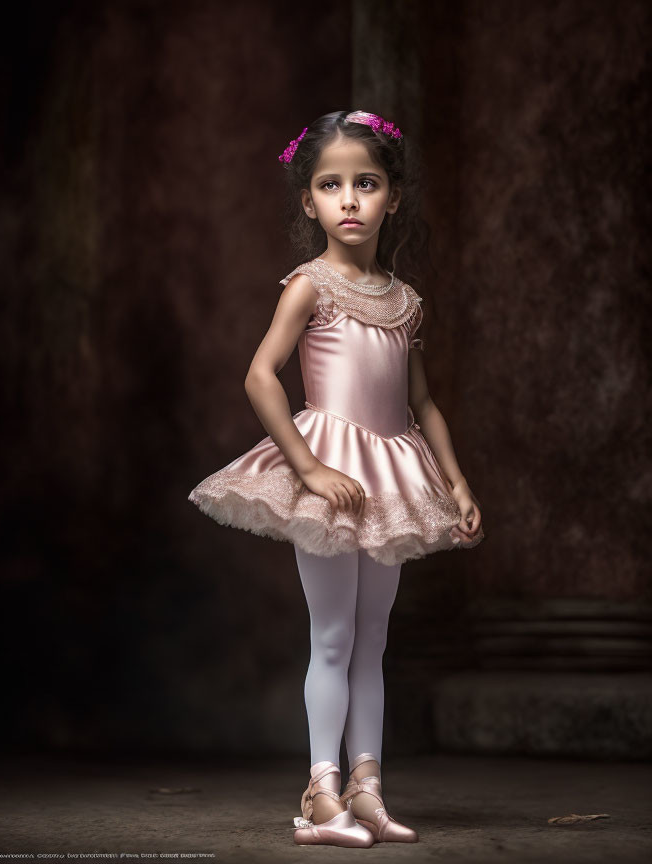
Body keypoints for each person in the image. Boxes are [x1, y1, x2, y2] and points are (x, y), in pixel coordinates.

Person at [188, 110, 485, 847]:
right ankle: (321, 793)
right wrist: (309, 467)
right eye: (331, 184)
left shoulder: (405, 301)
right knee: (333, 634)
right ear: (308, 201)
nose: (349, 198)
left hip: (390, 470)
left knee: (374, 637)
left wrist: (457, 482)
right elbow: (260, 377)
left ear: (393, 196)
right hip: (329, 467)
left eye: (367, 183)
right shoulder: (308, 285)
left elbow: (421, 403)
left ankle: (368, 785)